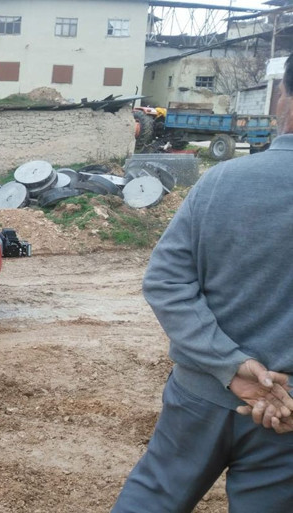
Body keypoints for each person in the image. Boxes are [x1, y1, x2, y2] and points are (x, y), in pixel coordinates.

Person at [111, 55, 293, 513]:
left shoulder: (221, 183)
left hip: (199, 394)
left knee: (153, 496)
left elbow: (166, 282)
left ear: (281, 97)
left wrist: (230, 367)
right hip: (285, 414)